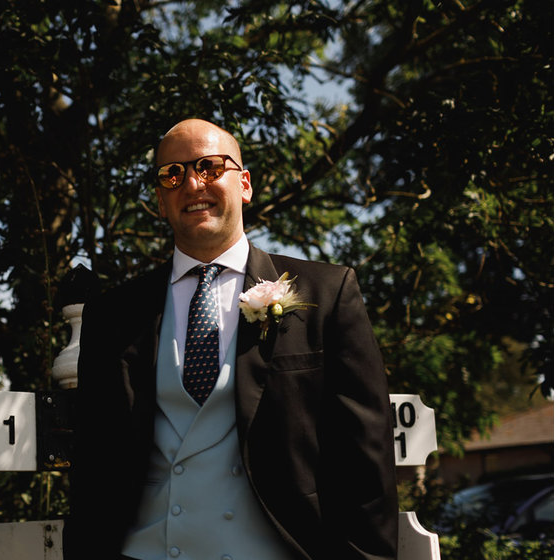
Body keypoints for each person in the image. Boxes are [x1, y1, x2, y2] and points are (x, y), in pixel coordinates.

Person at [69, 118, 397, 560]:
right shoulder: (113, 315)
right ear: (161, 200)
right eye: (173, 174)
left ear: (244, 183)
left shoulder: (327, 294)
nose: (192, 183)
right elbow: (91, 471)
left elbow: (365, 466)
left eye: (209, 166)